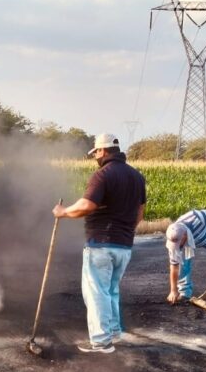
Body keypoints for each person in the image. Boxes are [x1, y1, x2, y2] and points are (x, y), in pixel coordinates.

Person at [53, 133, 146, 354]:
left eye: (95, 152)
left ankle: (101, 342)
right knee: (111, 290)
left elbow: (86, 205)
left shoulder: (103, 174)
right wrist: (124, 232)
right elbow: (140, 212)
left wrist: (63, 212)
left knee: (96, 292)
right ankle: (114, 332)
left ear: (103, 151)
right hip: (124, 245)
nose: (95, 156)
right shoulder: (137, 176)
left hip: (101, 244)